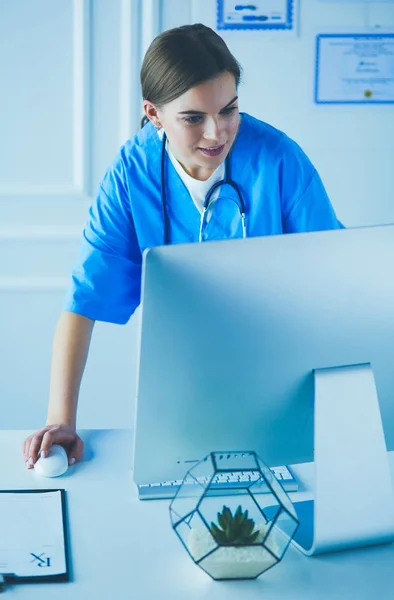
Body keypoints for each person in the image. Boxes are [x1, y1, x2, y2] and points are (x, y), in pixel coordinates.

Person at [23, 23, 344, 468]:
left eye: (229, 110)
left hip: (283, 371)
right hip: (183, 382)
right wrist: (61, 420)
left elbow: (339, 278)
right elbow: (84, 301)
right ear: (154, 114)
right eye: (193, 118)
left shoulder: (277, 158)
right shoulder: (131, 173)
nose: (217, 133)